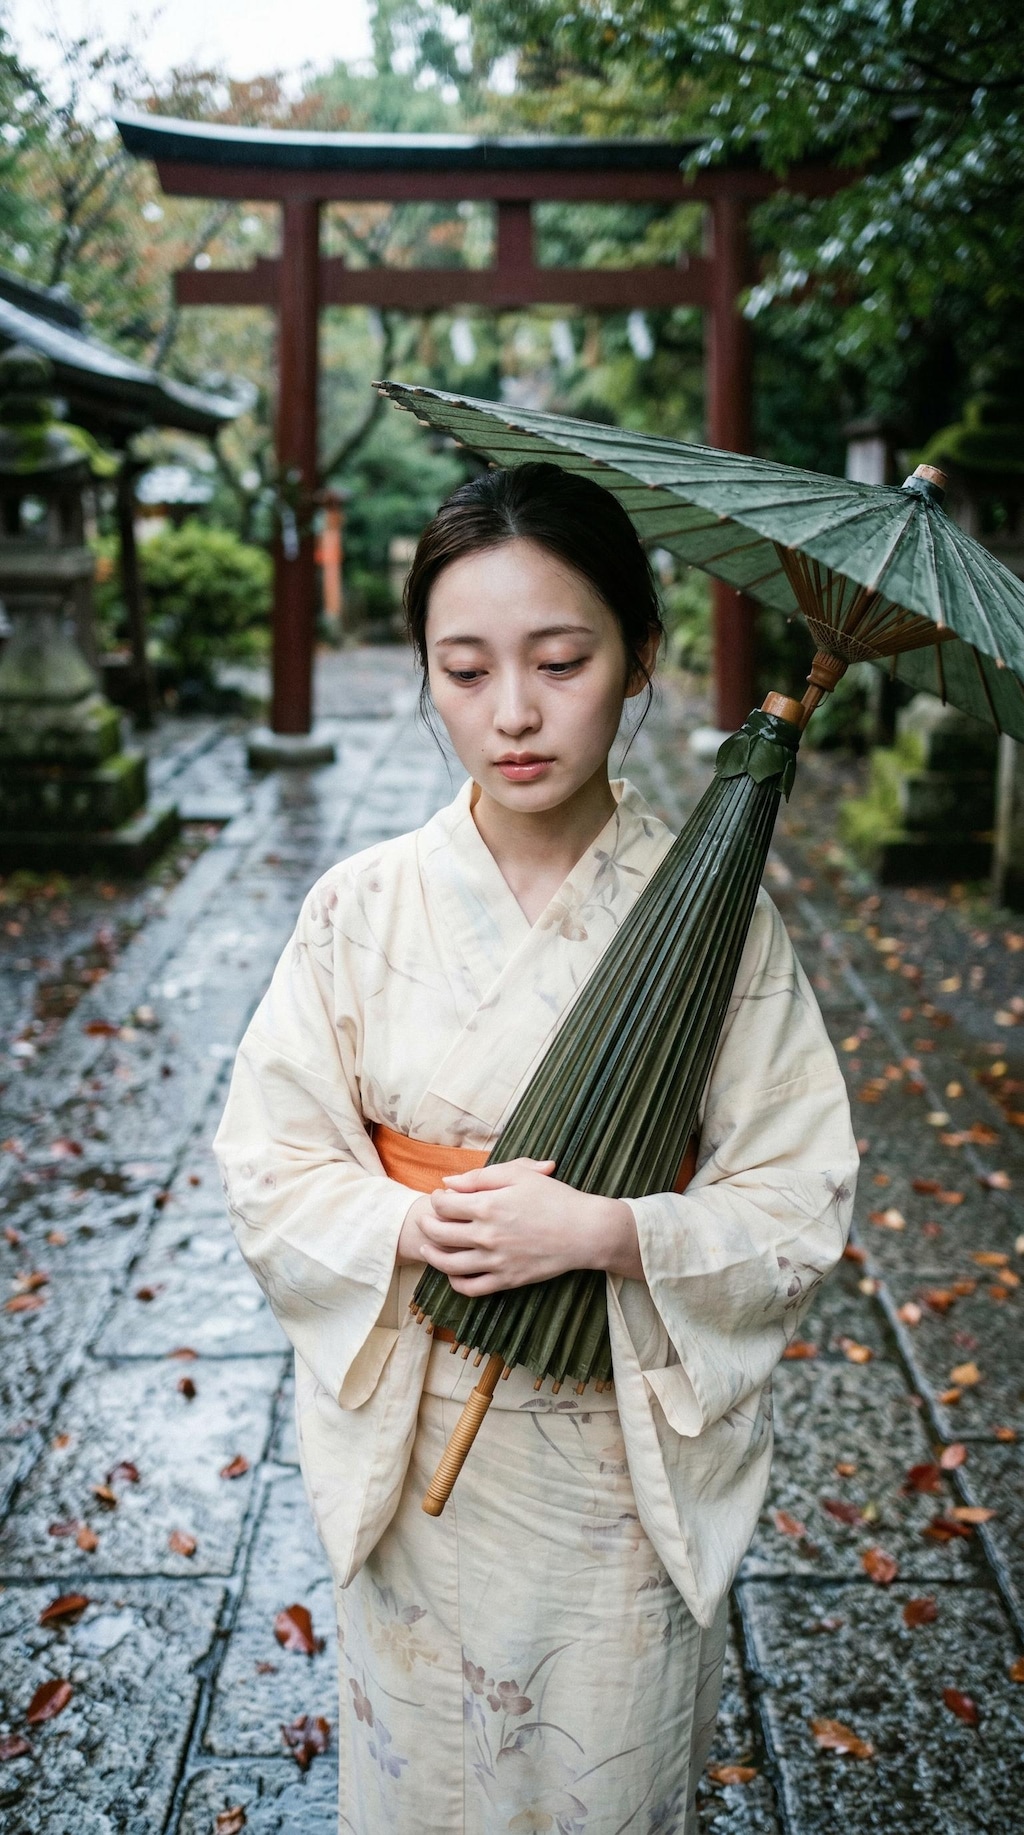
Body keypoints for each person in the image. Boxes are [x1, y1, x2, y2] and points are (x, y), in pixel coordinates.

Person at [212, 462, 857, 1835]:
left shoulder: (715, 917)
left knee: (601, 1781)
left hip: (614, 1467)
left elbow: (798, 1189)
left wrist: (614, 1232)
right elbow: (272, 1157)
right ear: (428, 676)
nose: (512, 711)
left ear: (638, 661)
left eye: (562, 660)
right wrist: (404, 1225)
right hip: (424, 1439)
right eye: (466, 668)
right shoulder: (362, 908)